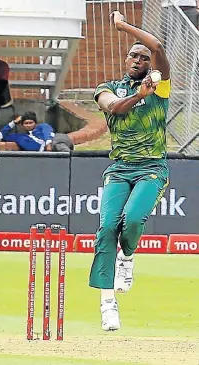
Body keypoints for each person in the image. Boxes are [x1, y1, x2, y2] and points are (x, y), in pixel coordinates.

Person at [88, 11, 171, 331]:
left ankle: (128, 256)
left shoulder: (160, 86)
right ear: (126, 60)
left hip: (152, 167)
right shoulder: (107, 87)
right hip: (120, 168)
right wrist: (138, 95)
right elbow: (113, 107)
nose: (138, 59)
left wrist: (123, 26)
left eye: (143, 56)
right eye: (133, 54)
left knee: (133, 219)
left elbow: (160, 47)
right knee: (107, 227)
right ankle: (107, 302)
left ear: (150, 64)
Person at [0, 111, 73, 152]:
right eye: (26, 123)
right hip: (44, 153)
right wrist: (14, 122)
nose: (28, 125)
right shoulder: (19, 137)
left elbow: (47, 132)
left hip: (55, 142)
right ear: (22, 125)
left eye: (31, 123)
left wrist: (48, 144)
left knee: (62, 149)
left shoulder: (41, 127)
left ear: (35, 123)